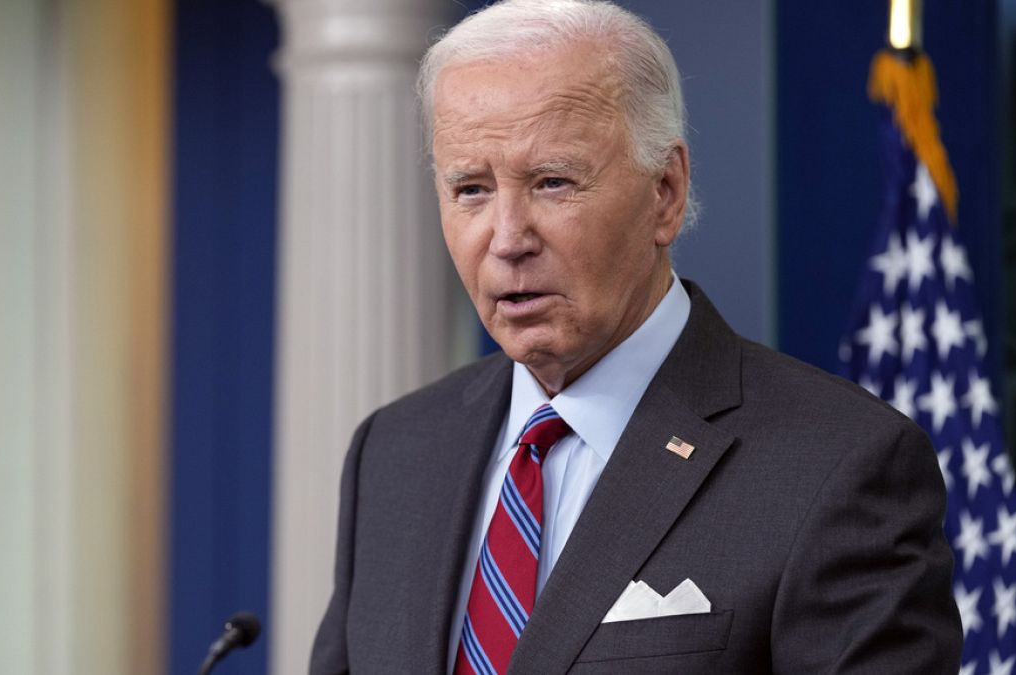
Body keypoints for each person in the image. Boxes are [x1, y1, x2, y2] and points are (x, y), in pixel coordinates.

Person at [310, 1, 962, 673]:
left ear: (666, 194)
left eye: (552, 182)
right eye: (471, 189)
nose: (506, 239)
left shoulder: (839, 465)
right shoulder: (393, 452)